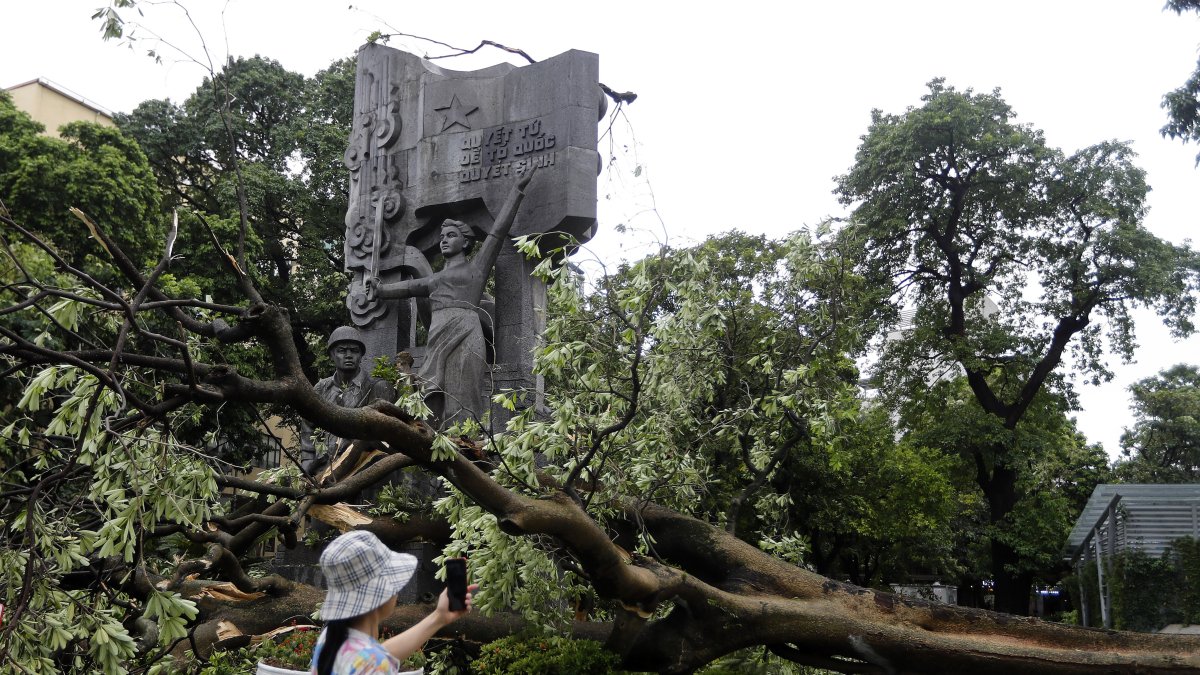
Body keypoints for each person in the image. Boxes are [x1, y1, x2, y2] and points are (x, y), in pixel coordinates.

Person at [366, 171, 534, 428]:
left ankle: (466, 448)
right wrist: (380, 290)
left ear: (466, 242)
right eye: (442, 237)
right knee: (431, 394)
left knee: (463, 398)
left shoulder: (476, 269)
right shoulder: (434, 280)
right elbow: (409, 286)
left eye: (452, 236)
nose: (444, 241)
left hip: (466, 332)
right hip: (438, 334)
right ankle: (434, 450)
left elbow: (498, 231)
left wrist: (517, 190)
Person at [311, 530, 475, 675]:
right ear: (379, 594)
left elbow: (380, 654)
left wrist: (439, 617)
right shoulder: (373, 667)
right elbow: (376, 660)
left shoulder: (331, 638)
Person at [300, 327, 396, 473]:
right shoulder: (321, 388)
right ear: (332, 355)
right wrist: (307, 460)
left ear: (361, 355)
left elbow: (382, 436)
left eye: (354, 351)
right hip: (324, 469)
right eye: (342, 350)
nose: (348, 355)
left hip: (362, 469)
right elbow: (308, 425)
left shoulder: (377, 387)